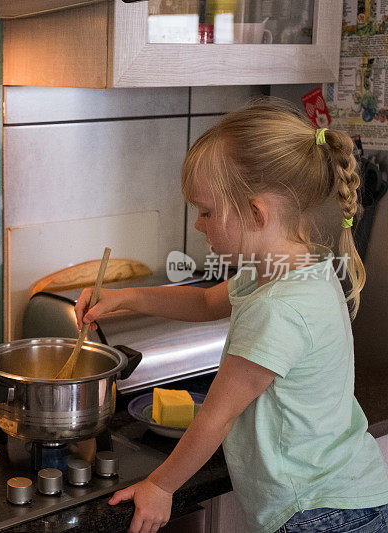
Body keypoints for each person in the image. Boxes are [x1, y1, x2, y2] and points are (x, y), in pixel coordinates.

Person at [75, 97, 388, 533]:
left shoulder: (277, 307)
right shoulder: (288, 269)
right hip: (345, 491)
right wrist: (125, 298)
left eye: (206, 211)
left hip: (317, 512)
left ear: (256, 213)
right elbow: (204, 303)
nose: (199, 224)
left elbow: (216, 416)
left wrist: (161, 486)